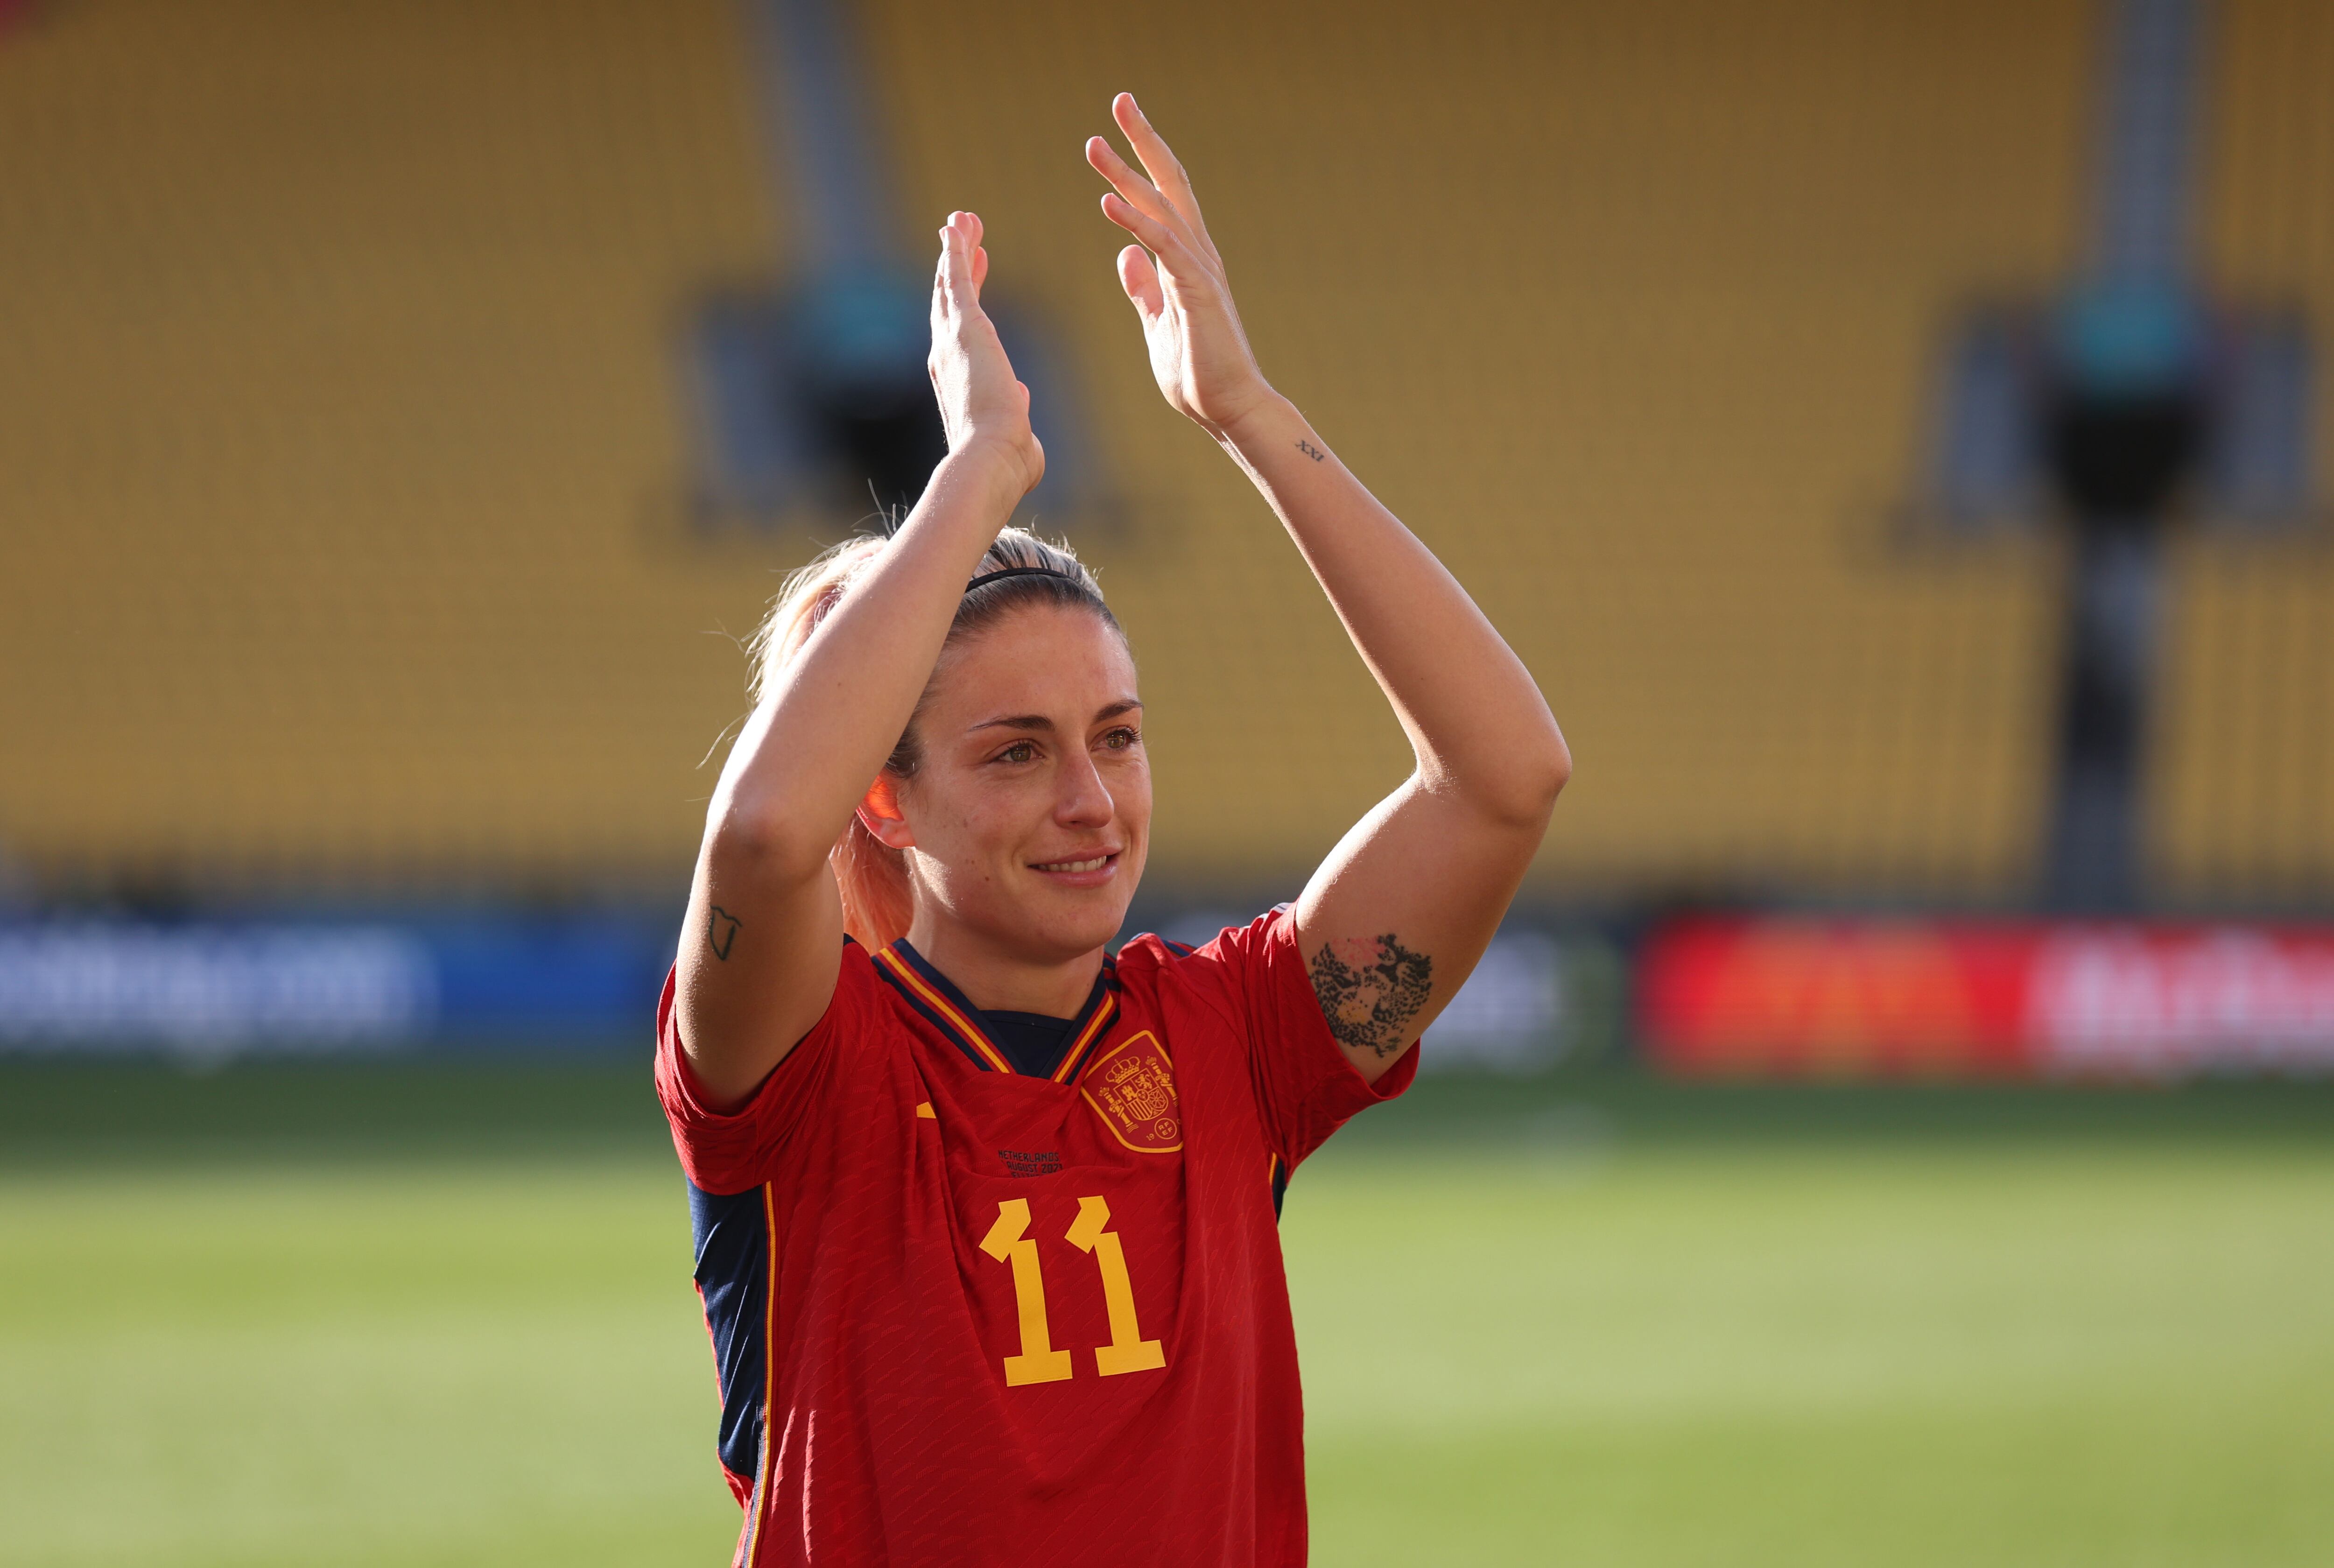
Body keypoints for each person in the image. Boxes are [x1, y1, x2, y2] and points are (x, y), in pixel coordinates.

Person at [656, 92, 1569, 1568]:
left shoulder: (1236, 1041)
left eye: (1120, 738)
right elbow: (763, 840)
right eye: (1016, 753)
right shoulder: (813, 1072)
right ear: (881, 798)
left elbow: (1507, 776)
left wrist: (1251, 417)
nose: (1091, 800)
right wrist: (980, 477)